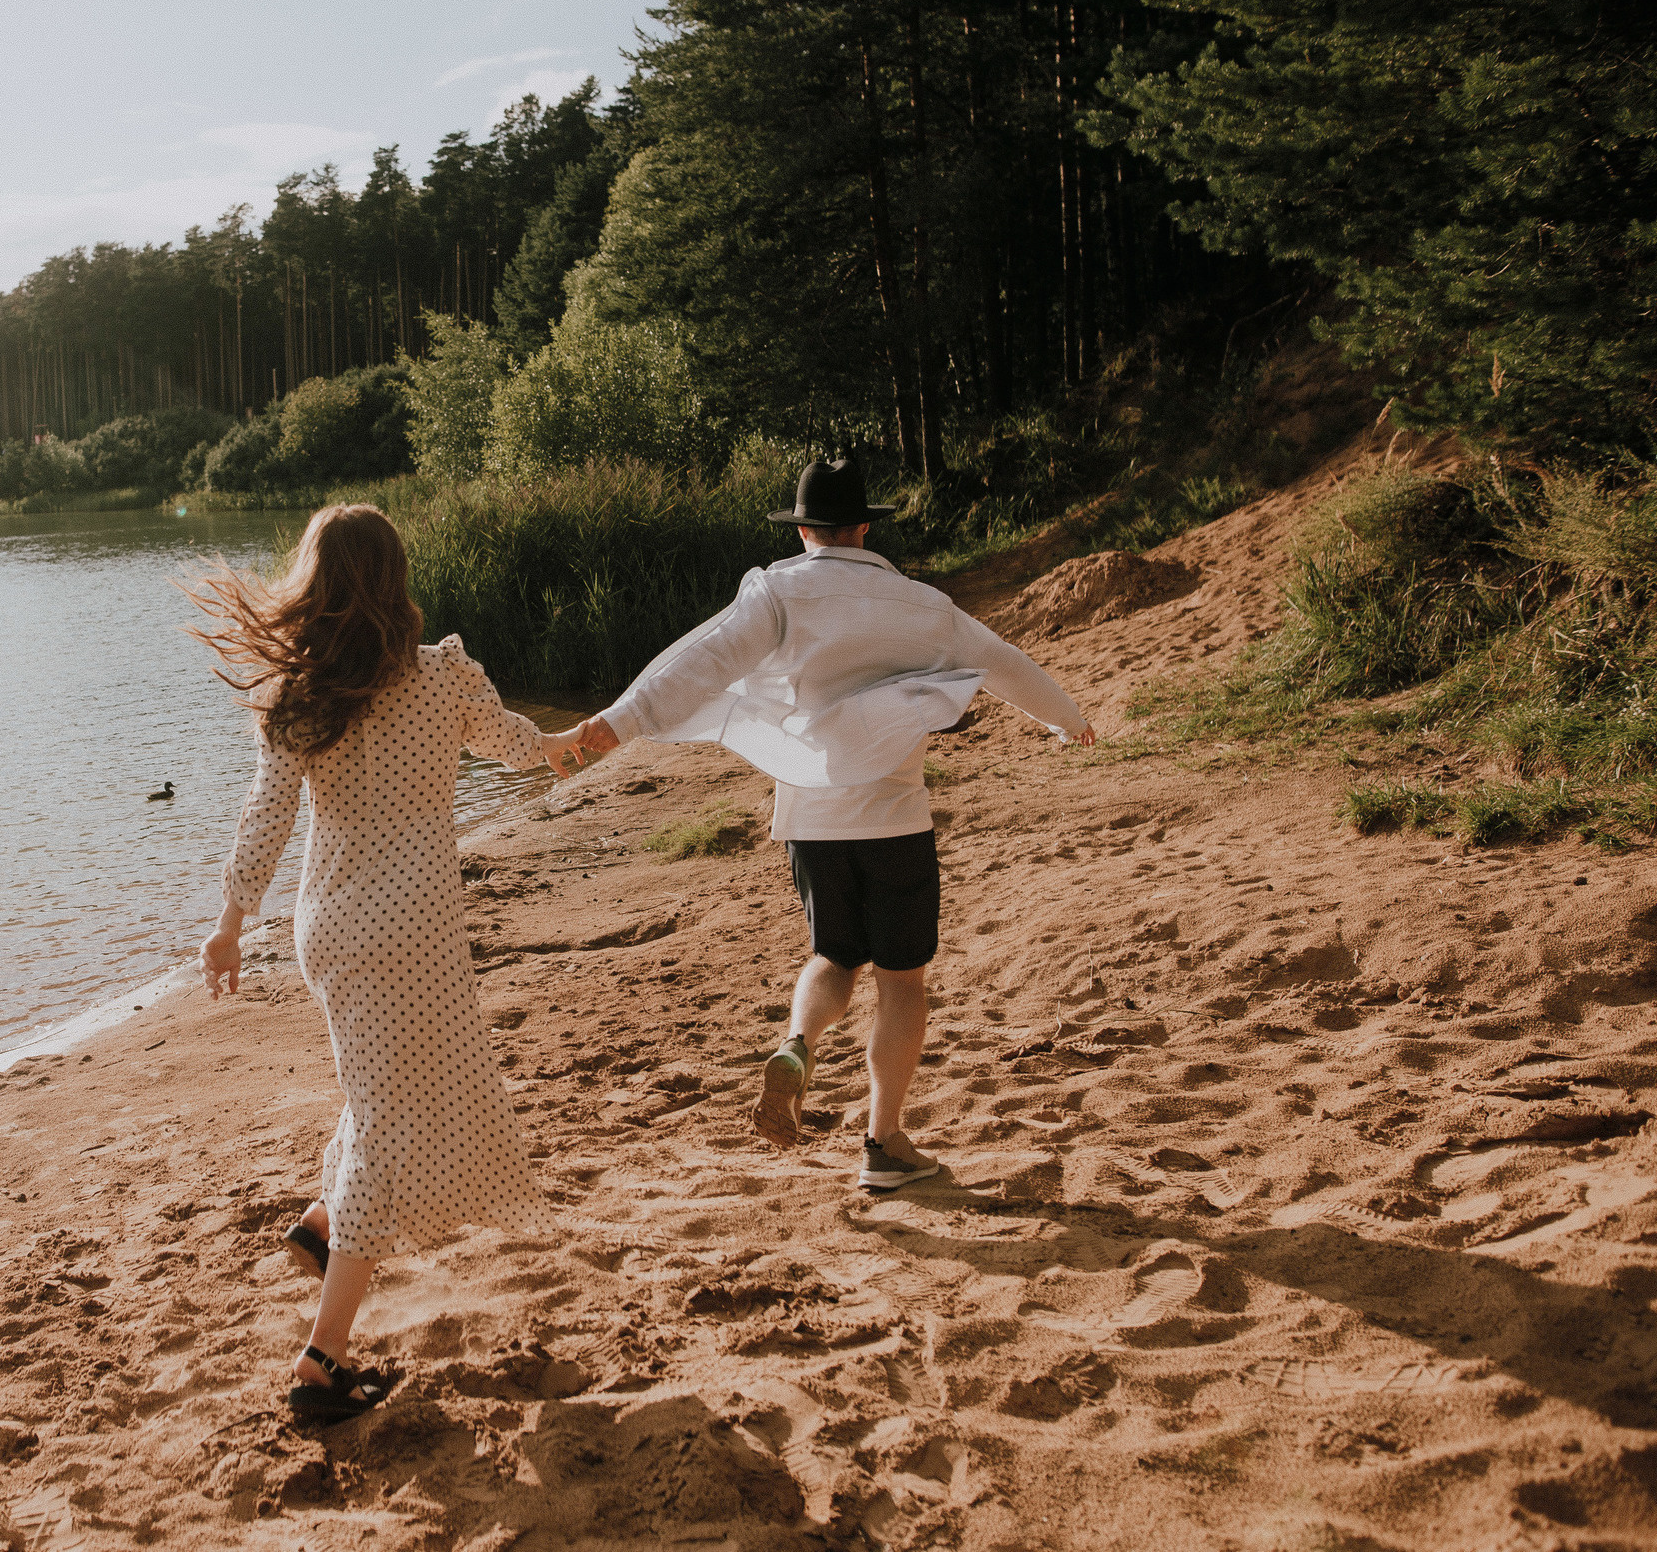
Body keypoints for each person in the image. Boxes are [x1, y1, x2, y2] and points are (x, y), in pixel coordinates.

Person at [568, 456, 1093, 1191]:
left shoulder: (778, 591)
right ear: (865, 526)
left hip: (812, 819)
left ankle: (798, 1042)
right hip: (894, 819)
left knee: (833, 958)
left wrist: (621, 720)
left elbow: (706, 658)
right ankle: (883, 1144)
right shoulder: (921, 604)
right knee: (903, 981)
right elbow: (1003, 662)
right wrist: (1066, 720)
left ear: (805, 529)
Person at [190, 504, 579, 1424]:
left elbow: (267, 818)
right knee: (384, 1120)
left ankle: (324, 1228)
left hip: (329, 928)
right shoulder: (441, 677)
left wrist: (229, 923)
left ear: (316, 586)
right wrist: (582, 743)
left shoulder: (302, 696)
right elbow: (520, 745)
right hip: (414, 931)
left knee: (385, 1097)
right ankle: (322, 1362)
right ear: (395, 581)